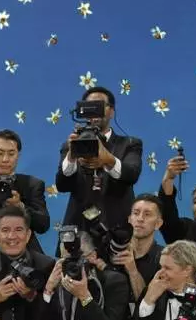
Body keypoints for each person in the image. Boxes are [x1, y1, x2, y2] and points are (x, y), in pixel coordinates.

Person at [55, 86, 144, 233]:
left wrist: (109, 161)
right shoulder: (71, 143)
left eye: (99, 105)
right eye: (89, 106)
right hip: (78, 228)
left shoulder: (130, 143)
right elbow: (62, 185)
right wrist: (71, 157)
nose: (93, 111)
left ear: (112, 111)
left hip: (117, 228)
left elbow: (132, 175)